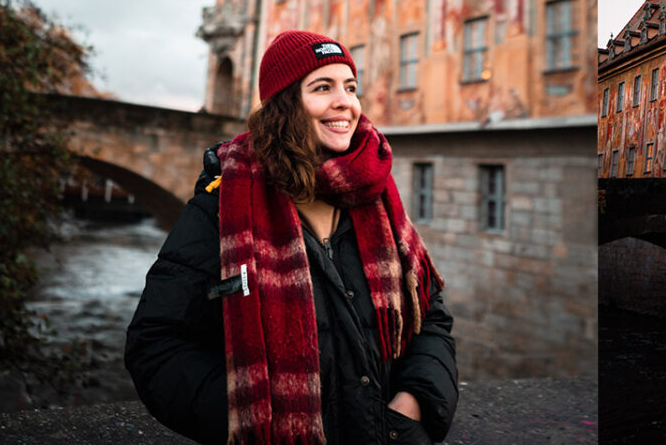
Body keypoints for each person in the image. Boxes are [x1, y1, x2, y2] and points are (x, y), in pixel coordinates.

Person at [126, 30, 457, 445]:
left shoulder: (376, 198)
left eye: (350, 87)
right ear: (284, 105)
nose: (346, 102)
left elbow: (430, 316)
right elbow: (156, 345)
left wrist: (413, 405)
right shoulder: (223, 207)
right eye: (323, 87)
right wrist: (255, 417)